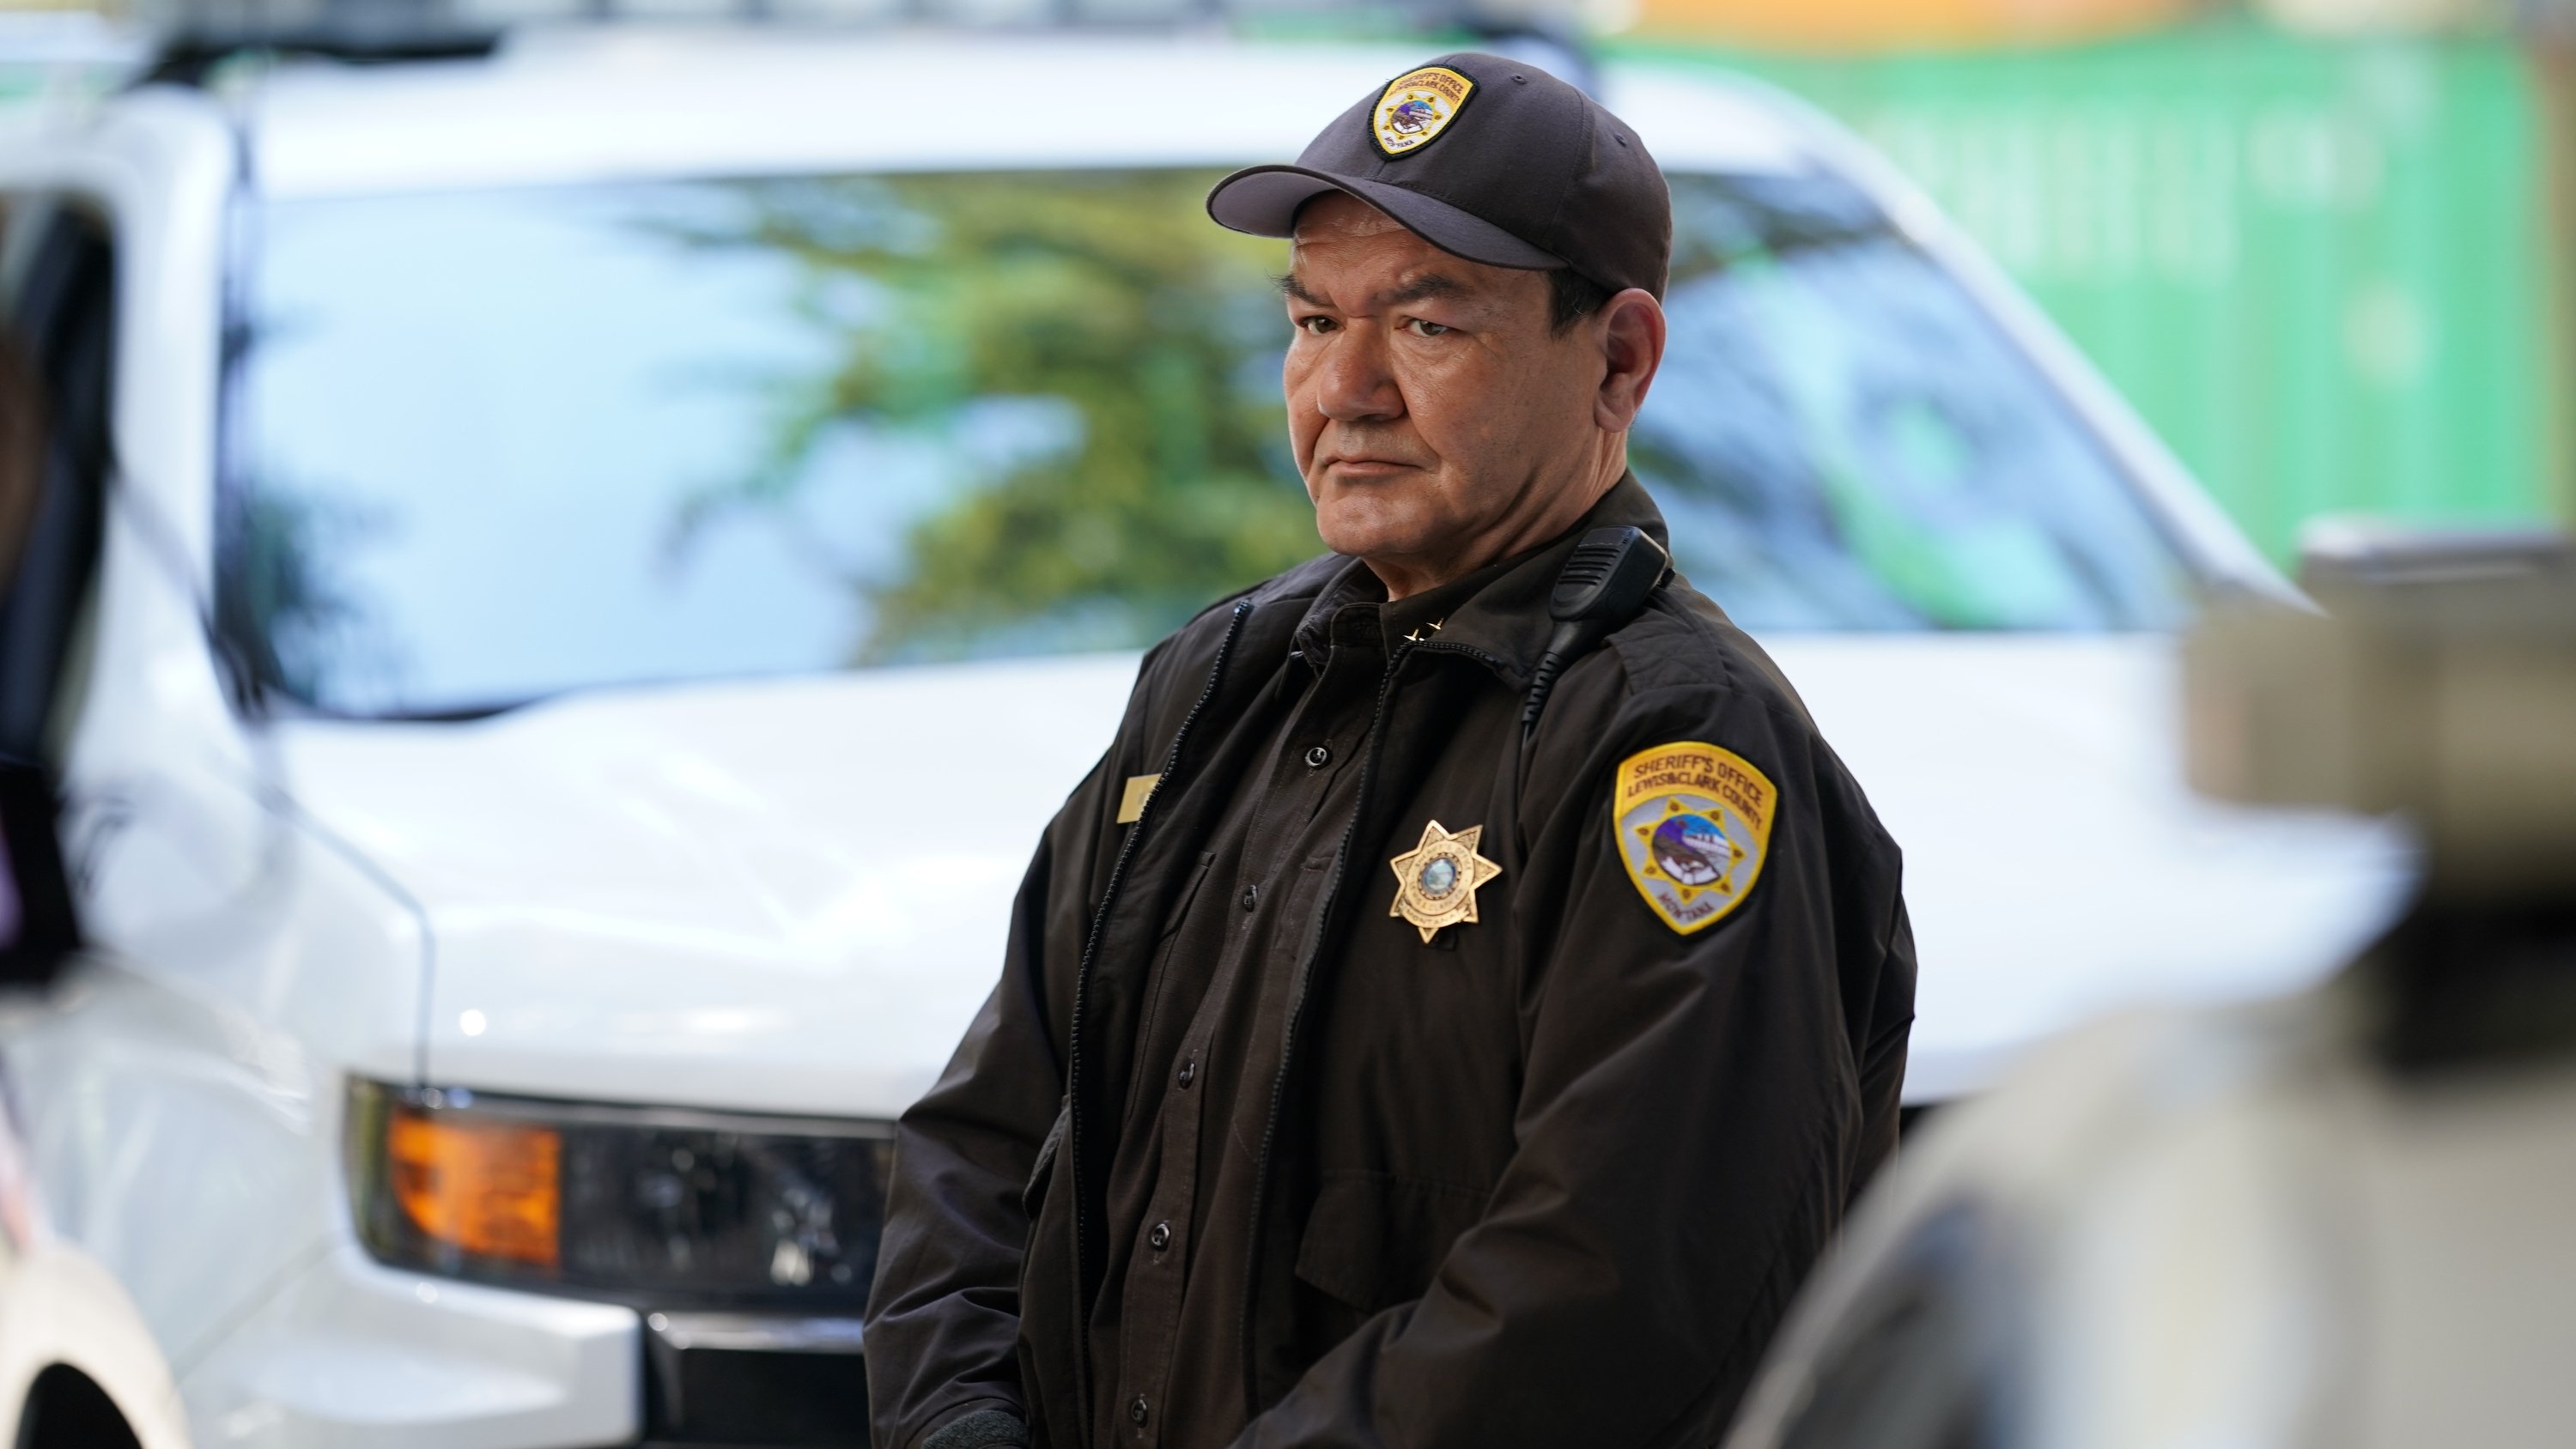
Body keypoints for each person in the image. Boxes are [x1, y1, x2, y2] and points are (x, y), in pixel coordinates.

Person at [864, 52, 1916, 1449]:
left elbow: (1607, 1297)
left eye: (1426, 325)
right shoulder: (1213, 686)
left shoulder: (1678, 744)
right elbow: (981, 1148)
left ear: (1619, 360)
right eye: (1312, 320)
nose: (1344, 389)